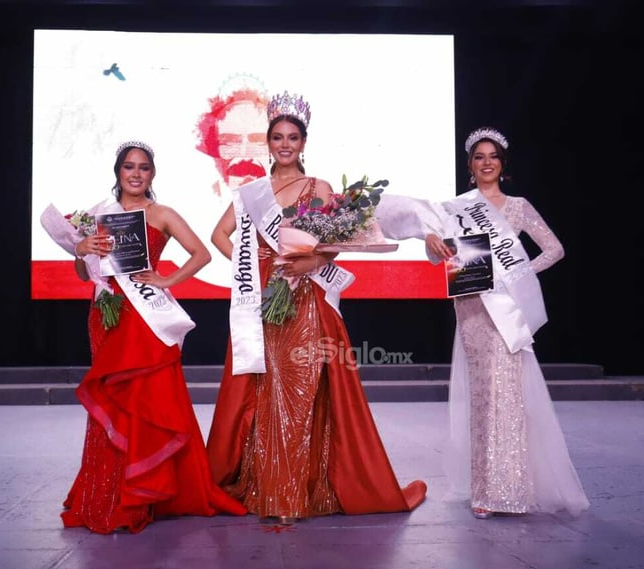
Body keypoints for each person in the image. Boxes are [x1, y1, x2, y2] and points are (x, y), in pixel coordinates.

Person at [206, 91, 427, 524]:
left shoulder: (319, 188)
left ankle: (297, 492)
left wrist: (313, 260)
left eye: (292, 137)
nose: (284, 144)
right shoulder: (251, 192)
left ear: (303, 143)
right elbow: (219, 236)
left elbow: (339, 242)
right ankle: (268, 487)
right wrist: (255, 265)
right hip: (265, 299)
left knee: (302, 392)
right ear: (267, 143)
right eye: (277, 137)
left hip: (306, 299)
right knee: (266, 392)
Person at [377, 127, 589, 519]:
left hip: (507, 309)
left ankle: (510, 490)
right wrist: (431, 243)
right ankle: (483, 492)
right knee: (482, 400)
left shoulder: (519, 207)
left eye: (493, 156)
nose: (486, 162)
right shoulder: (457, 207)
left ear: (502, 165)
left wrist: (522, 272)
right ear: (470, 166)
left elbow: (554, 249)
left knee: (507, 397)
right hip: (473, 306)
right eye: (479, 157)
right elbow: (438, 254)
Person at [42, 140, 246, 533]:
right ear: (117, 172)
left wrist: (167, 278)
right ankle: (108, 491)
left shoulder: (162, 213)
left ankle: (146, 494)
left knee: (148, 398)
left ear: (153, 174)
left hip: (147, 316)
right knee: (114, 400)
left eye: (144, 168)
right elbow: (86, 274)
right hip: (107, 313)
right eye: (129, 167)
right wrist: (80, 249)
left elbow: (200, 254)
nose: (136, 174)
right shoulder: (98, 217)